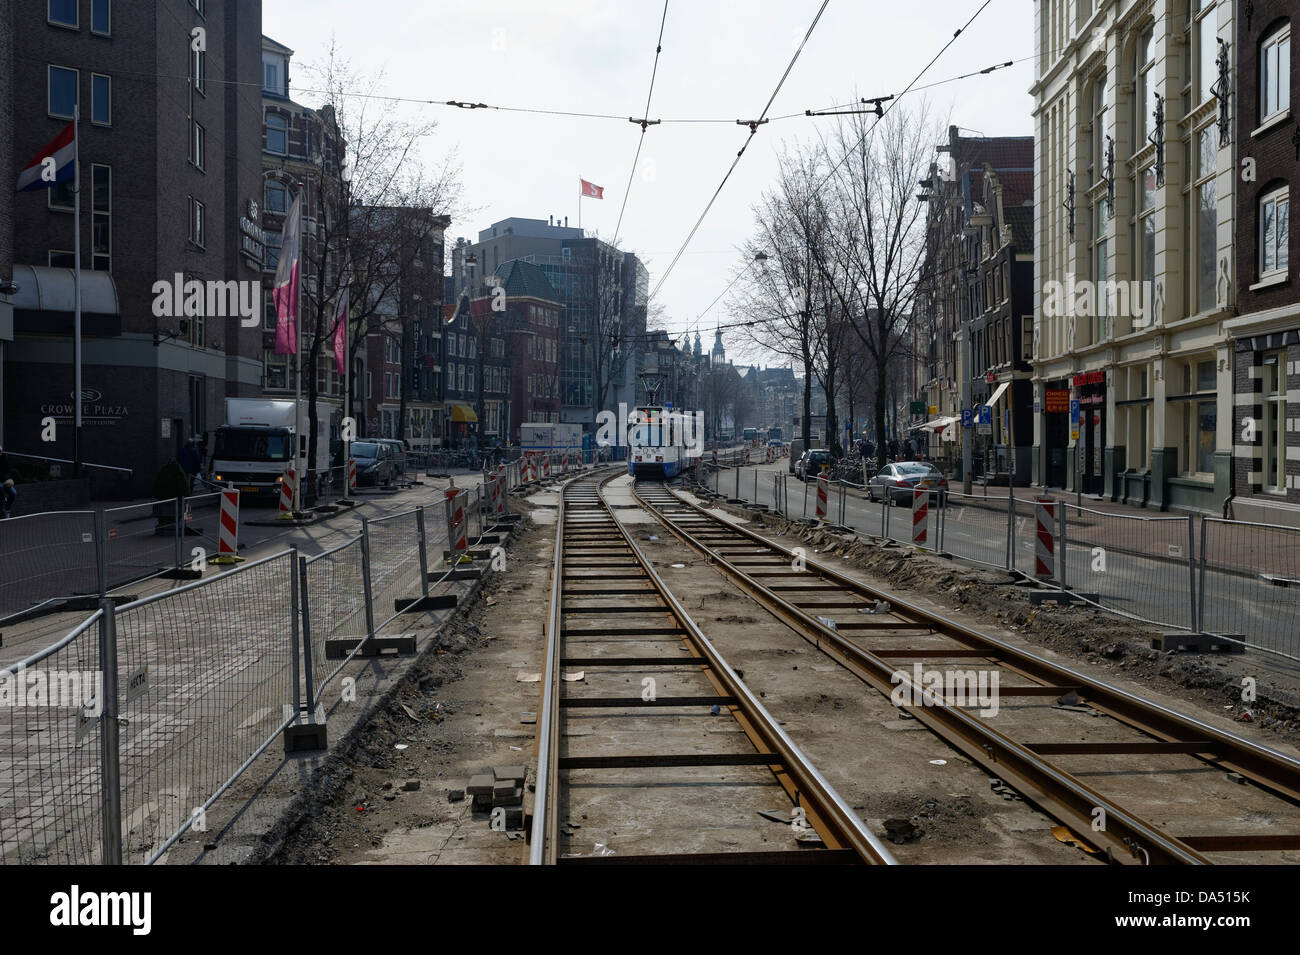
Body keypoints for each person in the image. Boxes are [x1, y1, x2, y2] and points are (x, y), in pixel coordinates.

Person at [0, 447, 16, 518]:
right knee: (0, 488)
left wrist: (9, 479)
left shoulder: (4, 458)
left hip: (4, 480)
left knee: (13, 493)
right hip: (1, 481)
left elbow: (8, 470)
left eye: (0, 451)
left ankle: (7, 509)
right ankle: (1, 510)